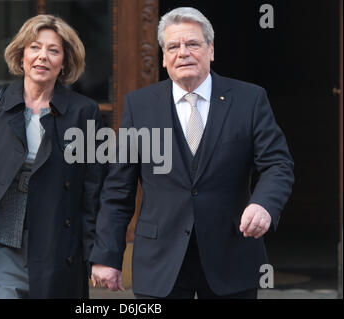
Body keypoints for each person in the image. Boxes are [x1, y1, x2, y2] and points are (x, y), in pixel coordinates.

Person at [89, 7, 294, 299]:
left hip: (231, 255)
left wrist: (263, 204)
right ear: (163, 57)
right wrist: (107, 255)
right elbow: (118, 189)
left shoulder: (250, 99)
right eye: (173, 46)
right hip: (160, 262)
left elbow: (278, 163)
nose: (182, 52)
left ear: (211, 50)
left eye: (192, 44)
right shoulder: (140, 106)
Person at [0, 15, 106, 298]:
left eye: (53, 50)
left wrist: (94, 250)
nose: (42, 56)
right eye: (35, 47)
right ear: (21, 56)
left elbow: (92, 188)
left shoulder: (84, 112)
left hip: (56, 247)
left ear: (64, 62)